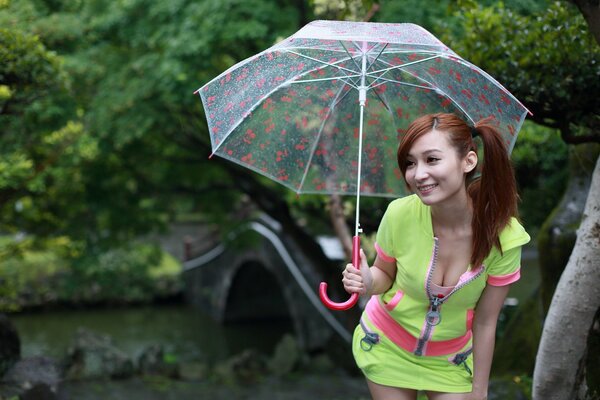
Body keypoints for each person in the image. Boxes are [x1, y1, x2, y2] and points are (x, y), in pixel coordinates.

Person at [342, 113, 530, 400]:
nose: (418, 174)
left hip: (450, 360)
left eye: (431, 160)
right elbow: (385, 276)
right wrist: (367, 281)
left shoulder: (504, 237)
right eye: (410, 163)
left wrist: (479, 390)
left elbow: (486, 321)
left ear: (468, 161)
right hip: (386, 344)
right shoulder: (399, 214)